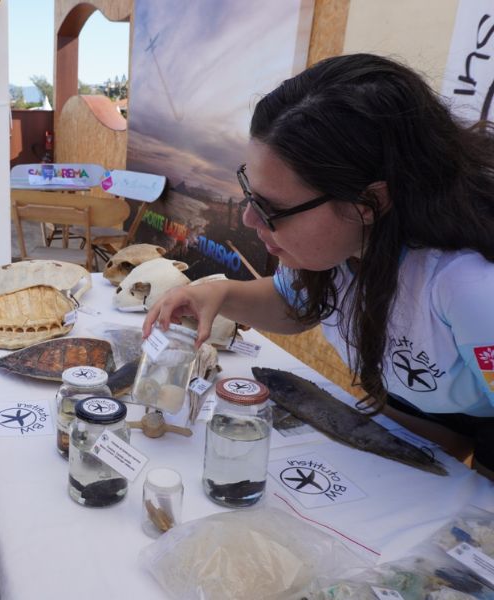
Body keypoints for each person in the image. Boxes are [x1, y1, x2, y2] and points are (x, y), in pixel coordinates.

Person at [145, 53, 494, 476]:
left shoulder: (470, 288)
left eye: (273, 208)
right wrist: (218, 293)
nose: (250, 220)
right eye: (250, 195)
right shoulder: (344, 244)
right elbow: (294, 305)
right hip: (420, 416)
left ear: (371, 202)